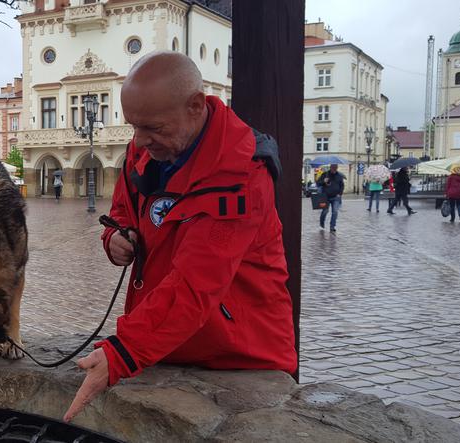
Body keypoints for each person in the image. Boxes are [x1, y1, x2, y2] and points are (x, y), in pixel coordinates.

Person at [63, 51, 295, 423]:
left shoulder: (241, 174)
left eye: (153, 128)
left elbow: (195, 285)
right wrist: (115, 237)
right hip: (162, 346)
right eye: (133, 126)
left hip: (237, 359)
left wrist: (123, 352)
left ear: (195, 106)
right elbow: (122, 210)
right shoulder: (145, 145)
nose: (140, 139)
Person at [316, 164, 345, 233]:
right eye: (333, 168)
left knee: (335, 212)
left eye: (335, 168)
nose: (334, 170)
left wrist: (339, 194)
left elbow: (342, 186)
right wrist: (324, 181)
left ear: (337, 168)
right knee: (325, 211)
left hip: (335, 197)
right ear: (330, 168)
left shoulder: (339, 176)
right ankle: (322, 223)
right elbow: (318, 183)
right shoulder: (325, 174)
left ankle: (332, 227)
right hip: (325, 196)